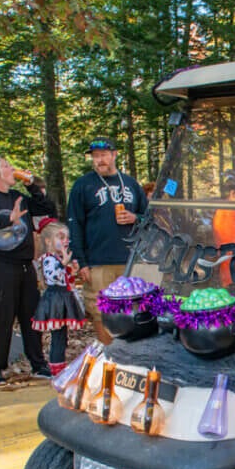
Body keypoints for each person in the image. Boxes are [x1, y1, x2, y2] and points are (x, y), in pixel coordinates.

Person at [0, 154, 55, 386]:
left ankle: (38, 364)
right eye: (7, 166)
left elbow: (46, 208)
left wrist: (33, 186)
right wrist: (9, 217)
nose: (12, 168)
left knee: (32, 315)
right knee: (2, 315)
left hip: (24, 264)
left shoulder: (18, 196)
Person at [67, 137, 148, 344]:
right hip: (98, 261)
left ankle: (132, 353)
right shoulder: (82, 185)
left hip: (130, 260)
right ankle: (109, 354)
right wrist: (81, 261)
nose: (99, 160)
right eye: (95, 157)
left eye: (103, 155)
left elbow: (150, 217)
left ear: (114, 154)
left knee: (135, 308)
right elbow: (74, 224)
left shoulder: (130, 183)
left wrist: (134, 218)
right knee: (99, 309)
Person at [31, 219, 88, 376]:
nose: (65, 241)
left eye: (66, 238)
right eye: (61, 238)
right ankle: (57, 368)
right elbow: (52, 278)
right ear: (49, 240)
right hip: (56, 300)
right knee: (58, 336)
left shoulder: (56, 258)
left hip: (62, 298)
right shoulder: (49, 259)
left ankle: (59, 364)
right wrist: (63, 263)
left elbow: (65, 278)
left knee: (61, 335)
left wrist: (71, 269)